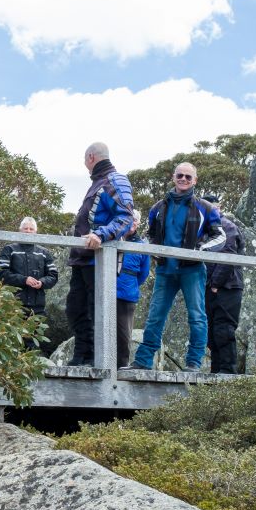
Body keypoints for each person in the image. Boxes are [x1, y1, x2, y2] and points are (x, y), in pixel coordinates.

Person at [129, 162, 226, 372]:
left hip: (192, 270)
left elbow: (220, 235)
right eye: (180, 175)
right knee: (155, 315)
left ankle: (194, 363)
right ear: (173, 177)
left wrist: (199, 250)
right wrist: (154, 250)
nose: (183, 179)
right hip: (165, 270)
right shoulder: (158, 207)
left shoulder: (205, 208)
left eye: (188, 177)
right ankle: (143, 361)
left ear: (195, 181)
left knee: (197, 316)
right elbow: (149, 235)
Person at [66, 142, 134, 366]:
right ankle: (81, 357)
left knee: (97, 311)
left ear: (91, 157)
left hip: (99, 260)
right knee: (76, 309)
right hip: (82, 259)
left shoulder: (114, 180)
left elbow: (125, 217)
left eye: (84, 159)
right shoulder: (97, 182)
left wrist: (102, 235)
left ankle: (97, 361)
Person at [0, 217, 59, 349]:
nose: (28, 231)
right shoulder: (9, 249)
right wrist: (24, 279)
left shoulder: (44, 252)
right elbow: (1, 273)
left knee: (32, 345)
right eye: (26, 229)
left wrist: (42, 282)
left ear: (36, 232)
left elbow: (53, 276)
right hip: (12, 306)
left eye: (31, 229)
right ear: (20, 230)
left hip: (37, 308)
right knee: (11, 344)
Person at [202, 194, 246, 374]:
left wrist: (215, 284)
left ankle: (228, 371)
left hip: (228, 287)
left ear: (219, 208)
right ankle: (216, 371)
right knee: (212, 333)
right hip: (211, 286)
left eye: (213, 208)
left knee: (224, 329)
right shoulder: (205, 229)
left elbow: (228, 256)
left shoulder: (227, 226)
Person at [116, 210, 151, 368]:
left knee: (124, 333)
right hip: (106, 291)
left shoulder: (142, 245)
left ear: (138, 223)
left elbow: (143, 273)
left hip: (127, 294)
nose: (131, 223)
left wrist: (130, 283)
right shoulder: (113, 237)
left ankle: (122, 365)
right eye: (128, 220)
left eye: (134, 220)